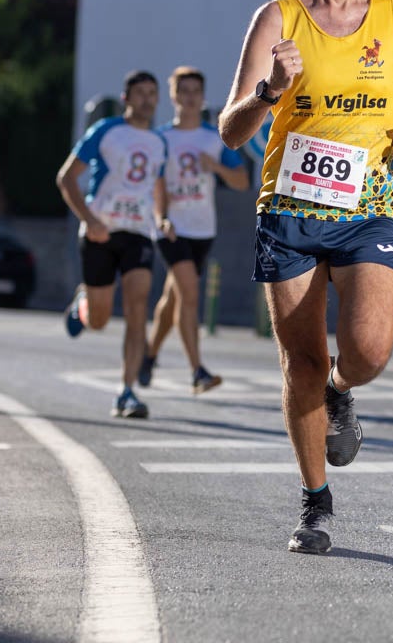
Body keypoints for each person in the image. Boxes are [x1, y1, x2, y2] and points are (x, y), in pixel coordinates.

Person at [218, 0, 393, 555]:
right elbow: (231, 130)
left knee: (368, 352)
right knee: (302, 361)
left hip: (367, 207)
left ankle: (342, 391)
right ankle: (315, 501)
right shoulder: (277, 18)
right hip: (289, 208)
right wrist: (269, 92)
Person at [56, 70, 169, 419]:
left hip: (139, 234)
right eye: (140, 93)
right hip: (100, 233)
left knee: (137, 309)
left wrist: (162, 217)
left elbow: (157, 187)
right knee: (100, 321)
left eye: (152, 93)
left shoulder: (159, 142)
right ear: (126, 98)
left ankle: (127, 392)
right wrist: (89, 220)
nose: (147, 100)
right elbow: (66, 178)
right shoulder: (105, 131)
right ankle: (84, 303)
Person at [139, 66, 249, 394]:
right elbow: (155, 184)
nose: (189, 98)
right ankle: (197, 371)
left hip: (203, 229)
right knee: (189, 294)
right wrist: (161, 217)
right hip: (170, 228)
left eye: (195, 92)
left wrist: (215, 167)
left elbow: (242, 182)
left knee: (173, 296)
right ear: (173, 96)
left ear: (202, 97)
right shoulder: (160, 138)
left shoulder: (214, 138)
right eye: (183, 91)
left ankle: (148, 355)